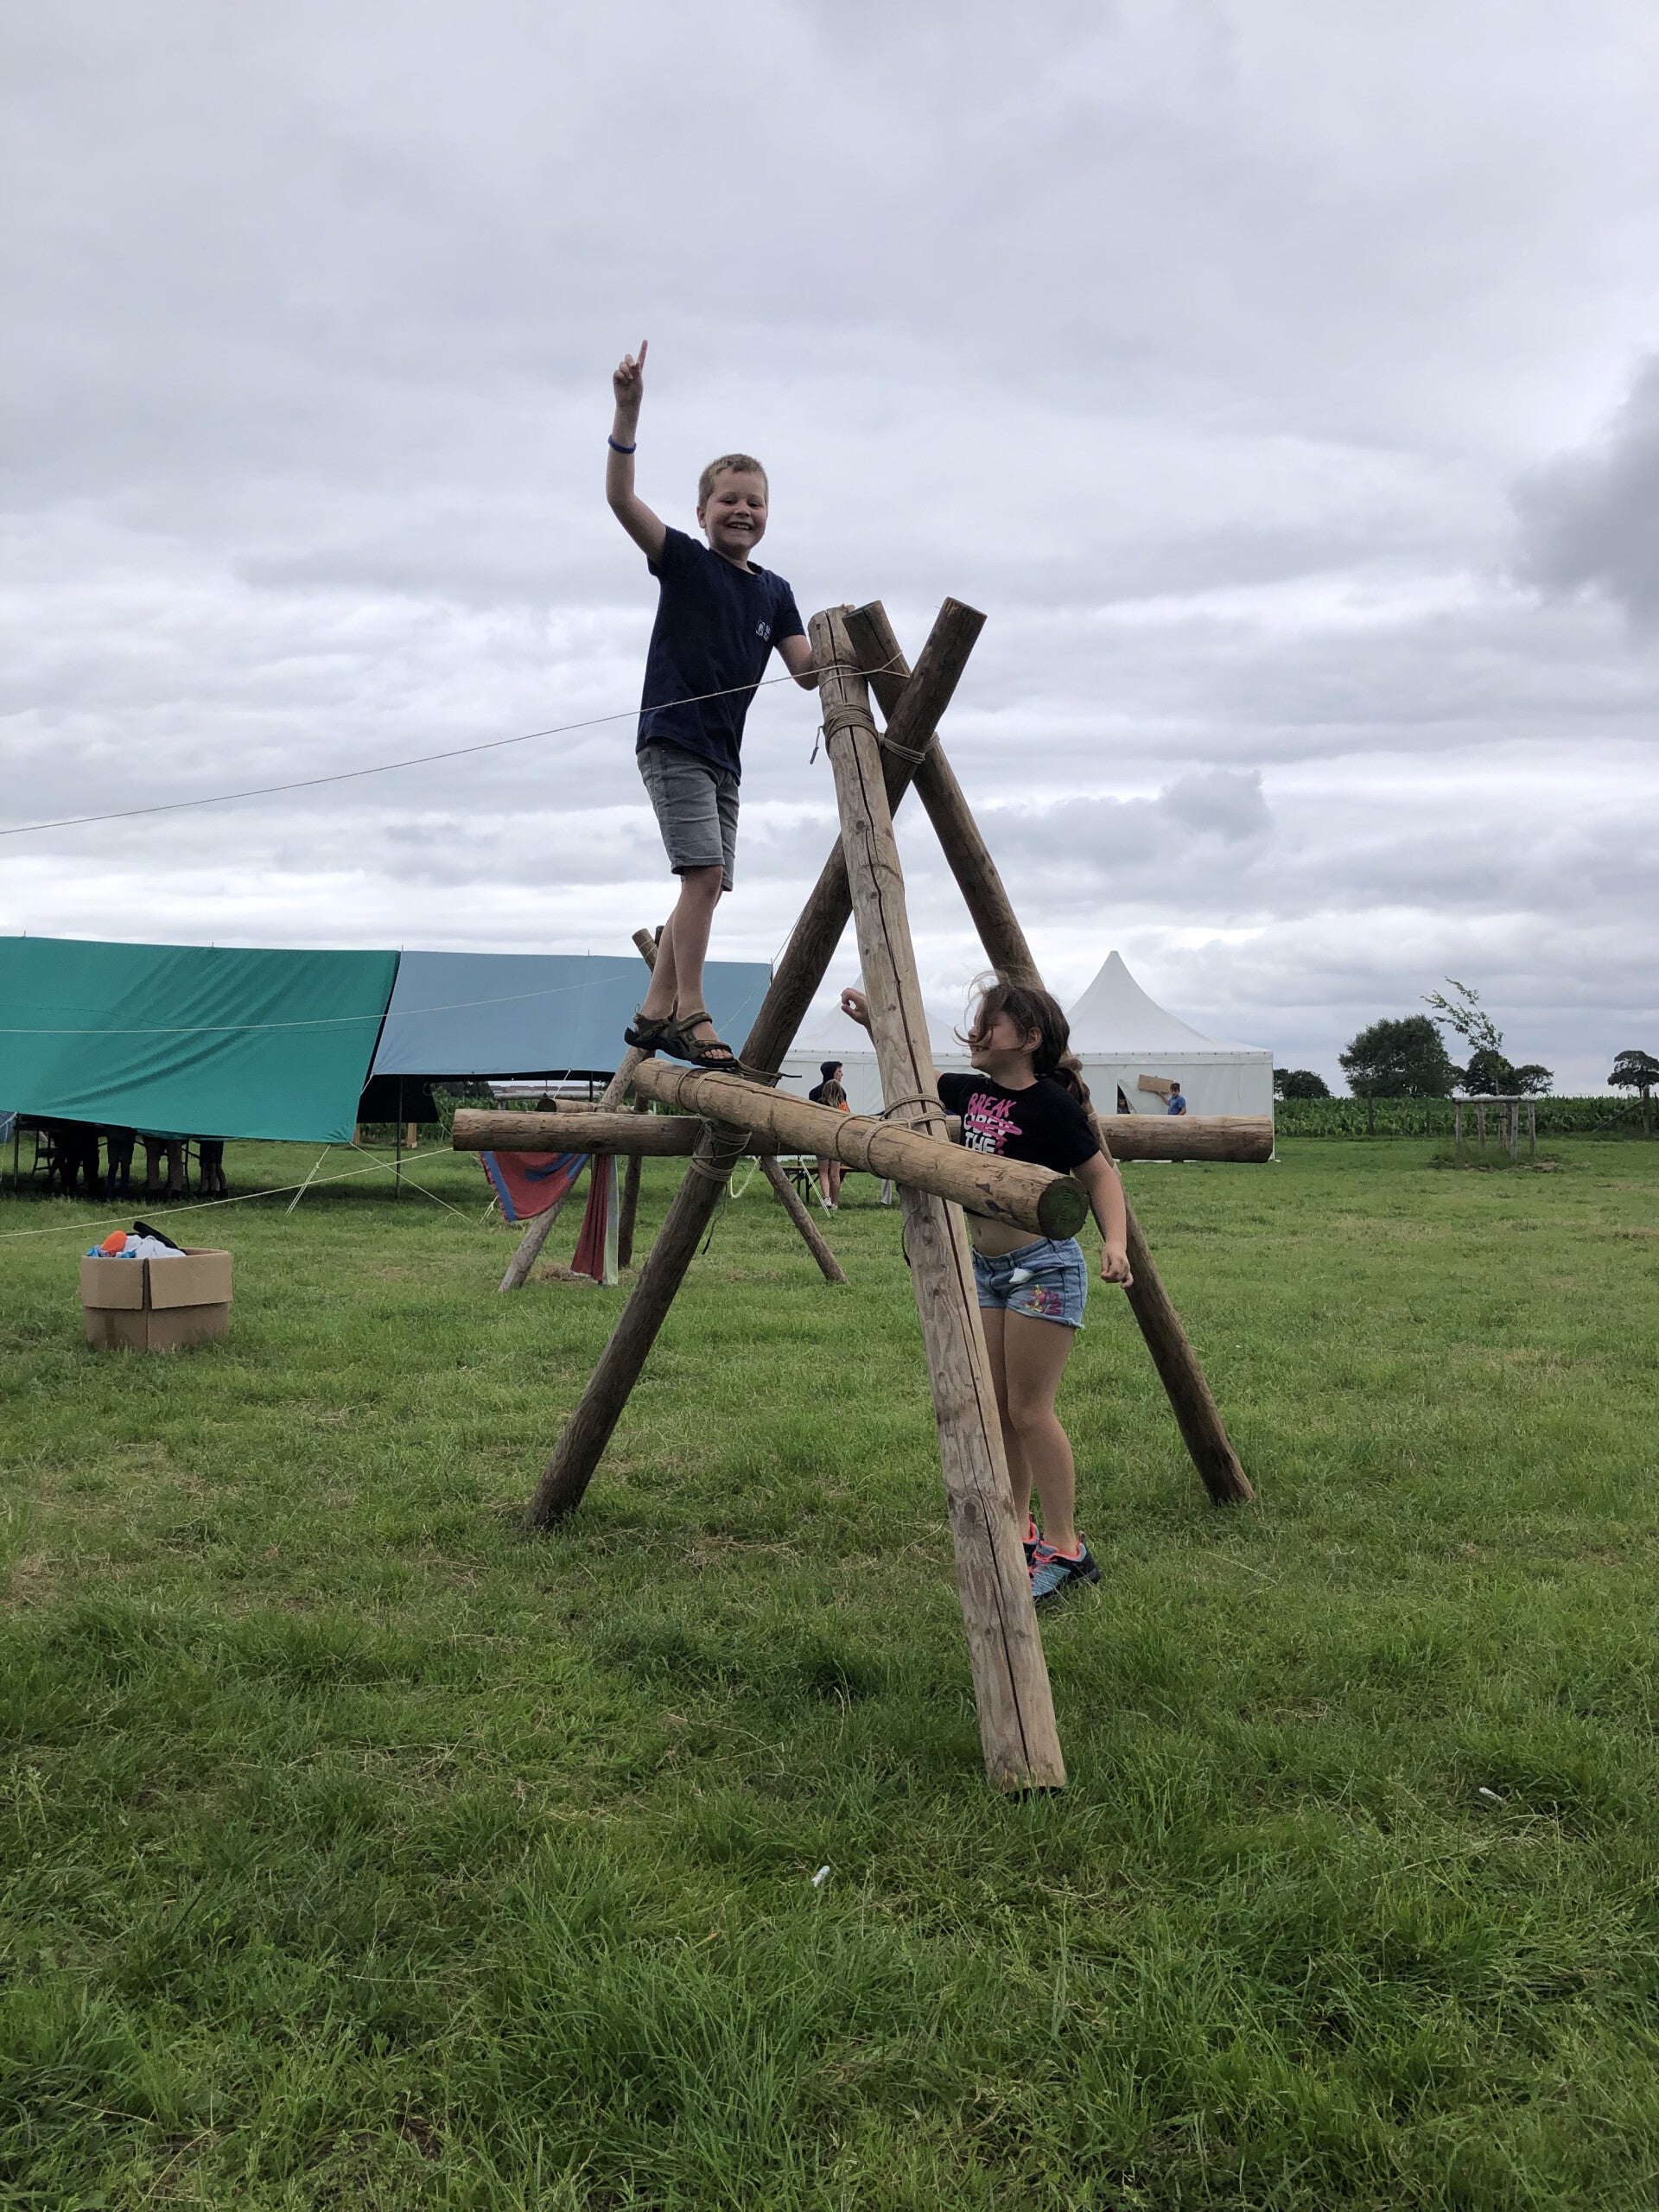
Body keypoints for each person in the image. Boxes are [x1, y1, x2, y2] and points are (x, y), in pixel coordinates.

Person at [840, 976, 1133, 1604]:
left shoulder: (1053, 1106)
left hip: (1043, 1267)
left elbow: (1101, 1177)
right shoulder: (968, 1092)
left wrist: (1115, 1242)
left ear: (1027, 1039)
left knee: (1030, 1410)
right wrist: (874, 1024)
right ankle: (1019, 1531)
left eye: (989, 1023)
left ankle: (1067, 1549)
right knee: (1001, 1410)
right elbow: (913, 1071)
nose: (975, 1032)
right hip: (989, 1269)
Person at [606, 340, 821, 1069]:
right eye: (728, 499)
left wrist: (846, 647)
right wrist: (627, 413)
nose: (742, 510)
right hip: (674, 739)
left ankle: (652, 1010)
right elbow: (621, 501)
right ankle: (690, 1010)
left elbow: (806, 670)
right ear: (701, 512)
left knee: (711, 886)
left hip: (725, 756)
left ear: (768, 515)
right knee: (699, 878)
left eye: (755, 502)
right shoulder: (686, 563)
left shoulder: (775, 591)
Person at [807, 1058, 849, 1208]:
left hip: (821, 1136)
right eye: (839, 1071)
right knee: (835, 1173)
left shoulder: (814, 1093)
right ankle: (835, 1202)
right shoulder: (841, 1093)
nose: (841, 1074)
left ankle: (827, 1198)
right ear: (832, 1073)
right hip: (836, 1137)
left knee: (823, 1171)